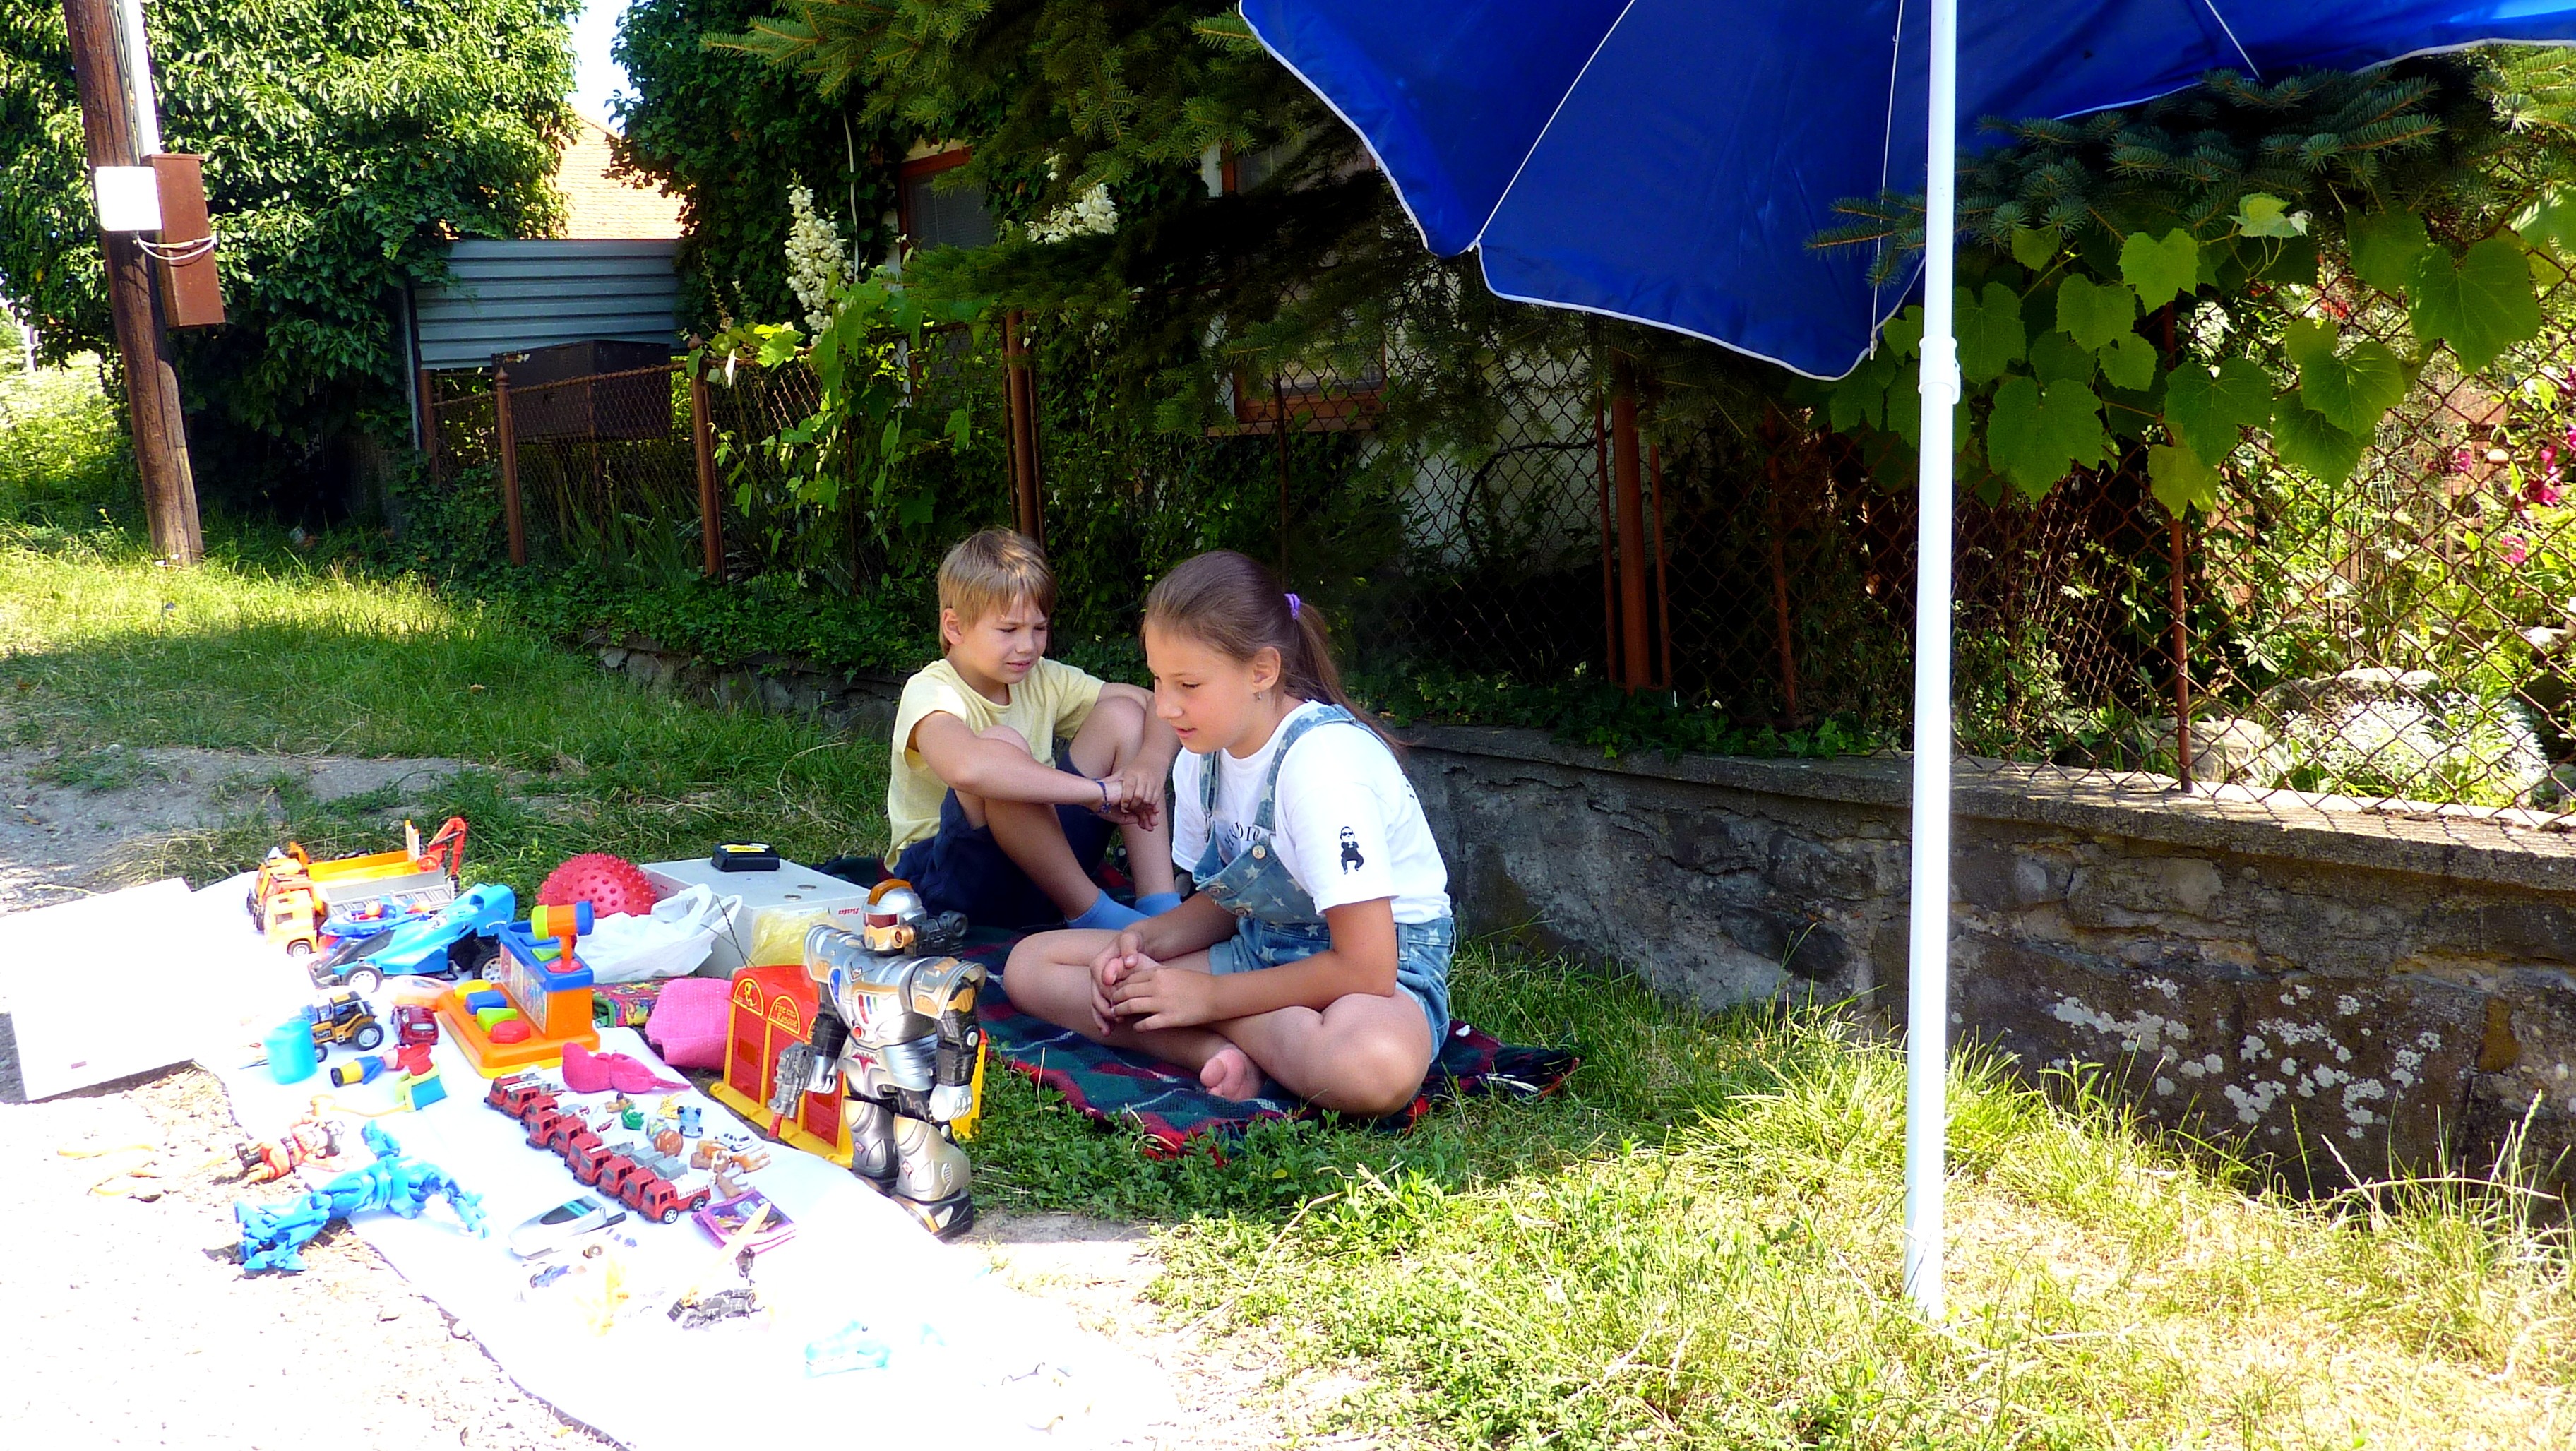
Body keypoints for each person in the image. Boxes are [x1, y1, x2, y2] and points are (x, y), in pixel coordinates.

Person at [1005, 550, 1455, 1115]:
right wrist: (1145, 941)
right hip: (1259, 946)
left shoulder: (1323, 767)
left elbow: (1368, 965)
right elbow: (1226, 903)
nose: (1165, 707)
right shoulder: (1201, 755)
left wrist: (1210, 997)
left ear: (1262, 671)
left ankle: (1218, 1025)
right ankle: (1216, 1050)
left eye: (1188, 684)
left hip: (1374, 975)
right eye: (1158, 680)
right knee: (1032, 967)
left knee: (1370, 1067)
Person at [888, 529, 1182, 931]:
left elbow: (1158, 706)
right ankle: (1093, 914)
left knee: (1124, 716)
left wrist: (1150, 763)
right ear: (954, 628)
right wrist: (1097, 794)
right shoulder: (930, 690)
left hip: (1040, 868)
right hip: (950, 881)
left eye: (1039, 628)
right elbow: (968, 770)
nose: (1028, 646)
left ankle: (1160, 905)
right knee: (1001, 749)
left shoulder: (1042, 678)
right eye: (1008, 630)